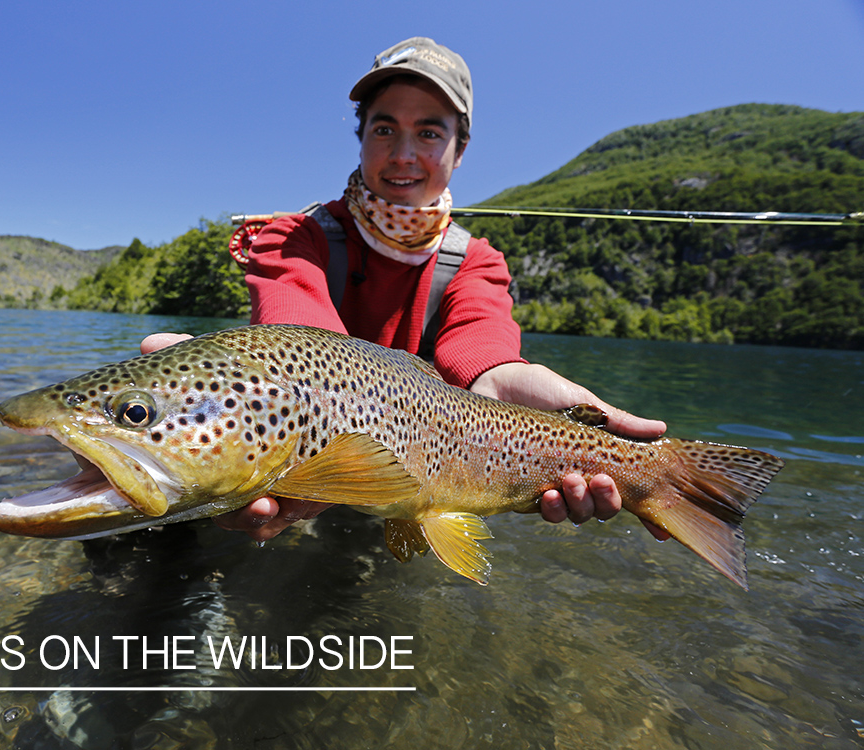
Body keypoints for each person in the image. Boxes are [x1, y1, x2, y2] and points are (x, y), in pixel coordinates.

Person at [141, 37, 670, 542]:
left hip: (421, 463)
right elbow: (300, 338)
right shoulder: (291, 237)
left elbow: (481, 347)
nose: (403, 154)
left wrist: (508, 380)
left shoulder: (477, 261)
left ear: (459, 150)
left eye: (430, 133)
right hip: (313, 456)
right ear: (361, 136)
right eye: (385, 129)